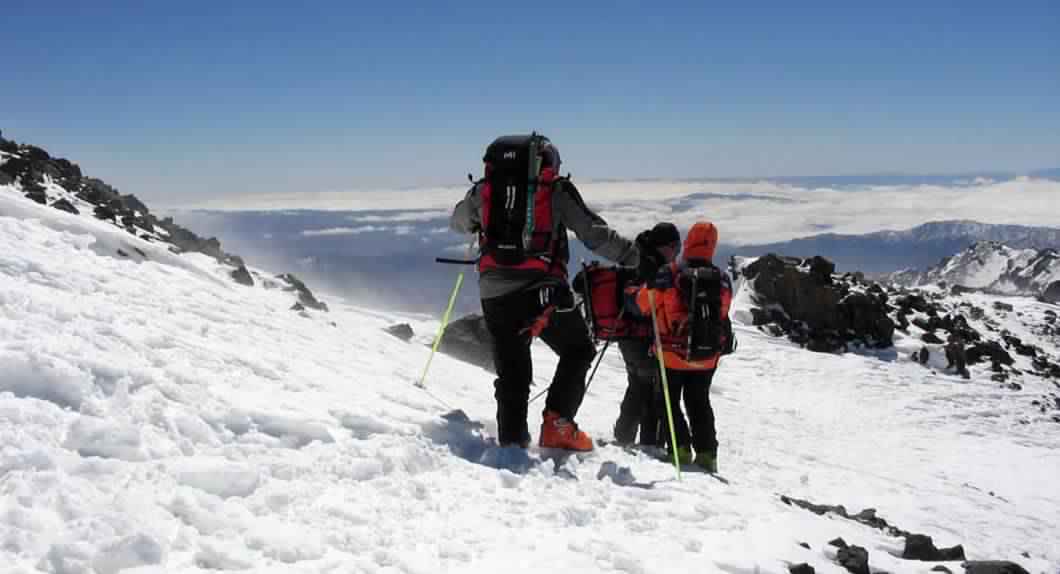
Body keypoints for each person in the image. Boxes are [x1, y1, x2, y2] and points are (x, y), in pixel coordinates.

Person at [450, 134, 639, 451]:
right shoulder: (555, 190)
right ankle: (557, 425)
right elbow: (594, 235)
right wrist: (636, 258)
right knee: (577, 350)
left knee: (512, 368)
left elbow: (457, 223)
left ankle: (512, 443)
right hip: (543, 290)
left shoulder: (483, 190)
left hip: (494, 292)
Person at [635, 221, 733, 472]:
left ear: (688, 241)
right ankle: (707, 453)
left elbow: (644, 305)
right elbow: (723, 313)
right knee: (699, 401)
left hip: (671, 353)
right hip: (707, 356)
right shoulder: (722, 280)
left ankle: (679, 448)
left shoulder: (669, 273)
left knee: (666, 400)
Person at [612, 222, 682, 447]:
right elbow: (636, 302)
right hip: (639, 337)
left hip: (629, 336)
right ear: (664, 246)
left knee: (638, 386)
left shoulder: (640, 257)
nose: (677, 252)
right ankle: (641, 443)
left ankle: (628, 439)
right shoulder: (648, 265)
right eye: (675, 247)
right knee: (647, 388)